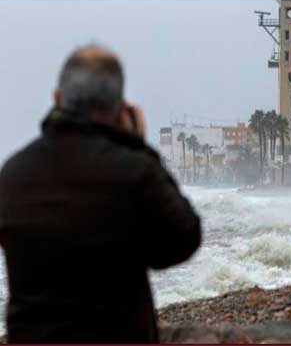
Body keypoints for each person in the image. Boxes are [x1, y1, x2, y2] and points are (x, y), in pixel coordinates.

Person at [0, 45, 202, 343]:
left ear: (57, 99)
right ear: (121, 110)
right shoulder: (133, 172)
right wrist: (137, 145)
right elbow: (182, 240)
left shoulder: (12, 175)